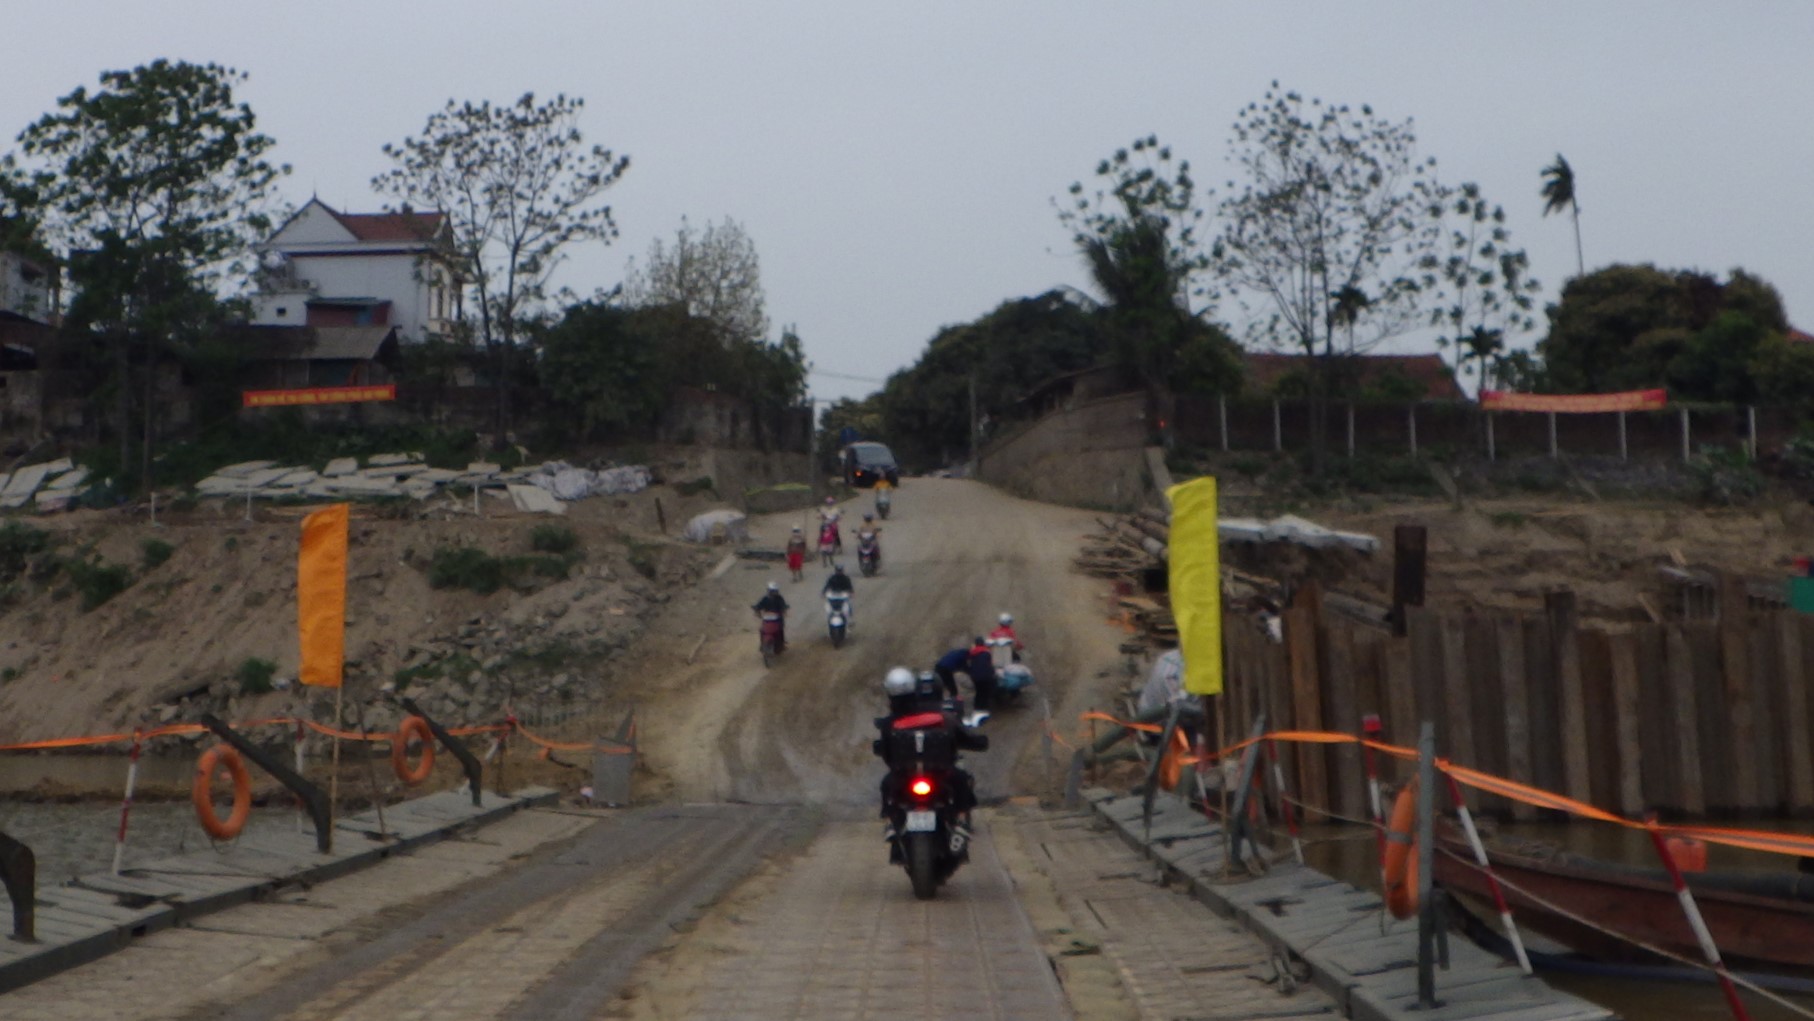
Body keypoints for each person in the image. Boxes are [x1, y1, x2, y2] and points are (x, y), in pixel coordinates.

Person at [872, 667, 982, 848]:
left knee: (887, 784)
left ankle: (889, 822)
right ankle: (962, 821)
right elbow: (964, 737)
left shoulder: (890, 723)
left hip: (905, 775)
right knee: (961, 779)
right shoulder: (943, 716)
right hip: (940, 774)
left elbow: (886, 753)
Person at [752, 581, 789, 652]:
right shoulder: (765, 598)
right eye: (772, 591)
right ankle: (762, 643)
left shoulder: (779, 598)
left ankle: (782, 643)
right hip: (767, 618)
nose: (773, 593)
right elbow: (759, 605)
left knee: (780, 629)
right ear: (769, 590)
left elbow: (783, 605)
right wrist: (756, 609)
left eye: (774, 591)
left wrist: (784, 610)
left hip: (777, 617)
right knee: (762, 630)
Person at [965, 636, 1000, 710]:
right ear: (983, 643)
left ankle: (977, 707)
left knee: (978, 691)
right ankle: (984, 707)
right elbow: (989, 665)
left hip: (975, 676)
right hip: (986, 676)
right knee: (985, 691)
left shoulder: (971, 652)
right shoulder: (987, 652)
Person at [822, 563, 856, 628]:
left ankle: (850, 619)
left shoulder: (846, 578)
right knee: (828, 607)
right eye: (838, 571)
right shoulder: (832, 578)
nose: (839, 572)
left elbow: (850, 587)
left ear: (842, 571)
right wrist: (823, 593)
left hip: (843, 595)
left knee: (848, 606)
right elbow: (827, 586)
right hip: (833, 596)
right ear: (836, 571)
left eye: (840, 571)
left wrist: (852, 593)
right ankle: (828, 620)